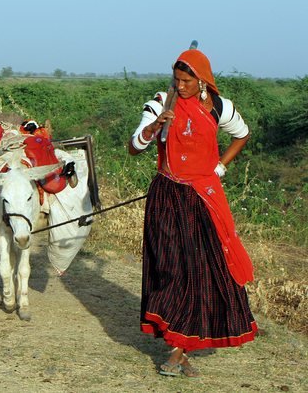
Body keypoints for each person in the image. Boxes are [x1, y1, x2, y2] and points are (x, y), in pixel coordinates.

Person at [129, 49, 256, 378]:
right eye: (177, 79)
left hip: (204, 197)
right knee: (172, 269)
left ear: (202, 80)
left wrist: (220, 168)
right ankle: (178, 348)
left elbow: (242, 134)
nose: (180, 85)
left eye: (187, 81)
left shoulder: (219, 107)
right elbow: (134, 146)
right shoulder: (162, 102)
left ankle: (178, 349)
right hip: (168, 196)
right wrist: (155, 126)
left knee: (200, 271)